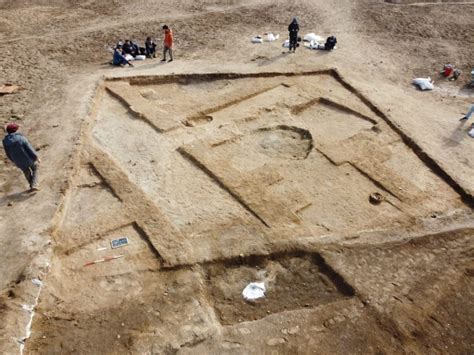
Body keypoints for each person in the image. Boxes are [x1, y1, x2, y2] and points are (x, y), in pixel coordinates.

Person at [2, 123, 41, 191]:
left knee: (26, 172)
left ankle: (31, 184)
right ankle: (34, 185)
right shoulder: (21, 138)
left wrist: (13, 160)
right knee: (35, 168)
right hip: (28, 158)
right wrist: (36, 157)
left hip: (18, 161)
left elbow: (8, 153)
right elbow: (29, 148)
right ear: (15, 130)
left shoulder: (5, 141)